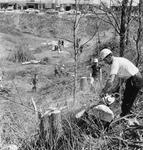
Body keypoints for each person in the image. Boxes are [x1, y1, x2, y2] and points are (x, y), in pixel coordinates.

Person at [99, 48, 143, 117]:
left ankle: (125, 118)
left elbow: (110, 80)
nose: (105, 62)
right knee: (127, 100)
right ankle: (127, 115)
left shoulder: (115, 62)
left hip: (135, 79)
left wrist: (104, 90)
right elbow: (122, 78)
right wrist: (115, 89)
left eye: (105, 60)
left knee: (127, 101)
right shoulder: (118, 60)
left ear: (109, 56)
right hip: (134, 78)